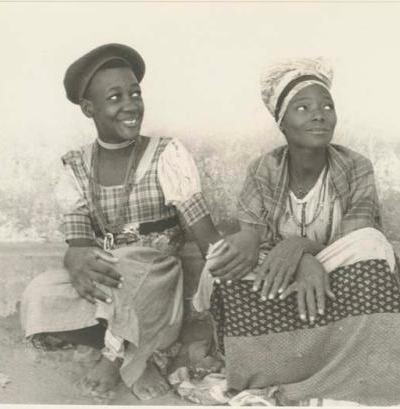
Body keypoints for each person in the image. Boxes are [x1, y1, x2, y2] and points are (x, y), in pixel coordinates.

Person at [194, 57, 400, 406]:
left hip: (339, 279)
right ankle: (270, 361)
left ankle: (349, 366)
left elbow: (357, 235)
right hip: (280, 279)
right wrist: (294, 256)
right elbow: (252, 240)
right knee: (219, 258)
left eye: (326, 106)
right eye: (302, 108)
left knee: (372, 244)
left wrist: (300, 247)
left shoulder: (355, 167)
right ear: (282, 123)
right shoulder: (263, 169)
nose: (318, 114)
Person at [20, 43, 251, 401]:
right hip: (110, 280)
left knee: (132, 269)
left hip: (154, 278)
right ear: (88, 108)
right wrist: (77, 260)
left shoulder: (166, 154)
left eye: (135, 94)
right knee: (40, 292)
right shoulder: (76, 166)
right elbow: (80, 246)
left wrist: (240, 275)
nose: (130, 105)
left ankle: (116, 360)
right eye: (115, 97)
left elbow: (206, 239)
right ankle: (136, 348)